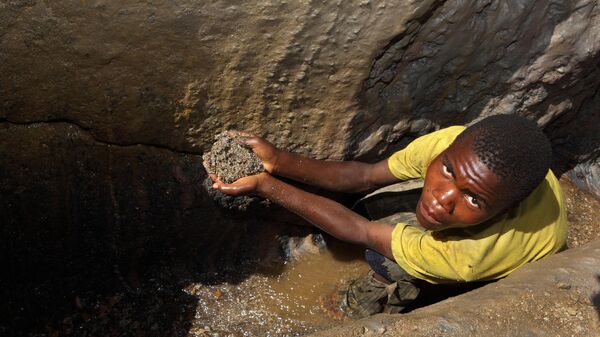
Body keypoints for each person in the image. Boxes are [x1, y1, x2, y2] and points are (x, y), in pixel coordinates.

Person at [207, 114, 568, 318]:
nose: (442, 199)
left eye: (472, 198)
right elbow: (363, 176)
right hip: (494, 207)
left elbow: (361, 232)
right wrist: (278, 161)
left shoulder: (467, 257)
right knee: (384, 198)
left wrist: (266, 186)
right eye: (446, 171)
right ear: (449, 150)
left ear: (505, 210)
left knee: (389, 260)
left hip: (490, 259)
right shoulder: (457, 148)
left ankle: (361, 304)